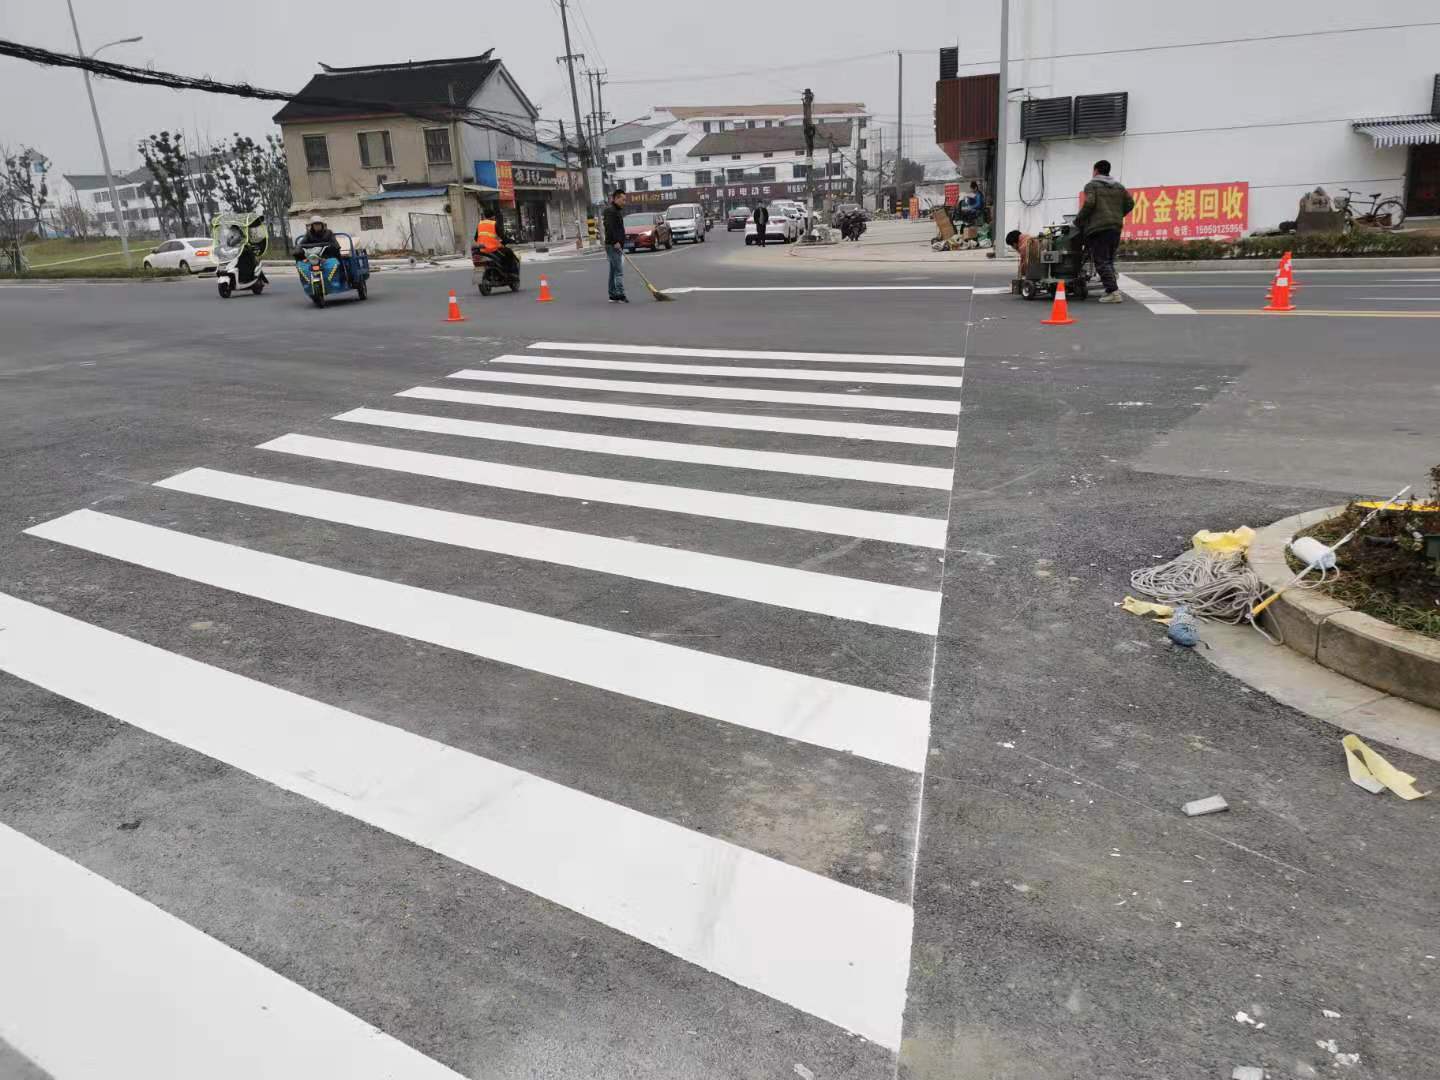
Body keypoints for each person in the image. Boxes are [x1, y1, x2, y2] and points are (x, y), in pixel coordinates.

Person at [1072, 159, 1134, 303]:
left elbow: (1089, 203)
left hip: (1098, 228)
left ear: (1096, 171)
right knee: (1109, 260)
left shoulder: (1092, 185)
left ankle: (1113, 292)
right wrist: (1118, 215)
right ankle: (1111, 290)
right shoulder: (1119, 187)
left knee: (1101, 261)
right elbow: (1130, 203)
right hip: (1115, 227)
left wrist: (1078, 221)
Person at [602, 190, 628, 303]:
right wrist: (616, 241)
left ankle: (612, 294)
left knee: (613, 271)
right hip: (613, 245)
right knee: (619, 271)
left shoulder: (616, 211)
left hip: (616, 245)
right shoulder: (610, 211)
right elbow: (609, 227)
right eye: (623, 200)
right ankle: (621, 295)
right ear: (616, 199)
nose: (624, 202)